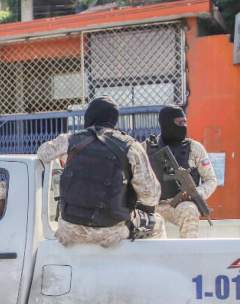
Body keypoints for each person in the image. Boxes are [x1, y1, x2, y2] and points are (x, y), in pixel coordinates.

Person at [37, 96, 164, 248]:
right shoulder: (131, 147)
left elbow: (42, 153)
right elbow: (151, 196)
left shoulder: (70, 140)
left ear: (89, 116)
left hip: (70, 229)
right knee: (158, 221)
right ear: (114, 119)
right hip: (111, 231)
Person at [145, 105, 218, 238]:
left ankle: (188, 254)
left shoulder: (194, 148)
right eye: (179, 122)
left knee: (190, 210)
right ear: (166, 123)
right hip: (153, 206)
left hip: (180, 205)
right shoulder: (146, 147)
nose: (184, 126)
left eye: (185, 122)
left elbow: (211, 180)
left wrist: (195, 193)